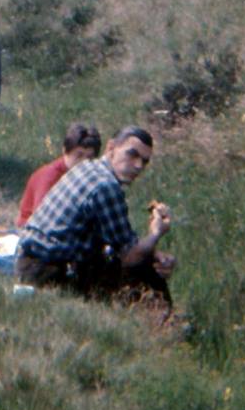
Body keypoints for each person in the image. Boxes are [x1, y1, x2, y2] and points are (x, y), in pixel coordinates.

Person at [16, 125, 176, 309]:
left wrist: (154, 254)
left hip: (29, 263)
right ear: (111, 148)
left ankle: (160, 320)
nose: (138, 166)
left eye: (144, 161)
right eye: (132, 155)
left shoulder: (87, 168)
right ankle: (164, 323)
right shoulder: (106, 186)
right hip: (50, 273)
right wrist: (155, 234)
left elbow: (120, 240)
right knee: (141, 267)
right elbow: (130, 256)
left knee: (141, 259)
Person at [15, 123, 101, 227]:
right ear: (65, 151)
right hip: (31, 232)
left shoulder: (87, 176)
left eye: (90, 158)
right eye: (79, 155)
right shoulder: (50, 176)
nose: (84, 162)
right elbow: (42, 219)